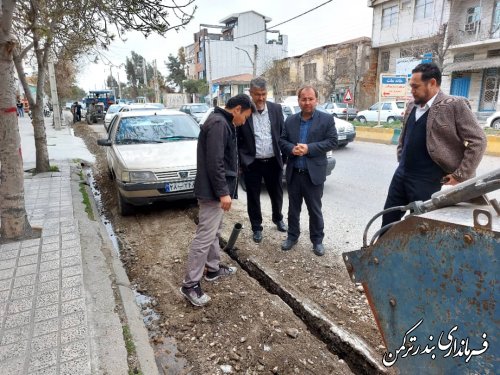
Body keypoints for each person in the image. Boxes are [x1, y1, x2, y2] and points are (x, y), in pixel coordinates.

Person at [381, 62, 487, 228]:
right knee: (388, 219)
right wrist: (401, 157)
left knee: (420, 227)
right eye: (411, 86)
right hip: (402, 175)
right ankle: (379, 253)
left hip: (429, 180)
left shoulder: (454, 105)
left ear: (432, 83)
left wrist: (460, 175)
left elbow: (478, 140)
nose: (412, 90)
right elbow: (405, 135)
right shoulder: (411, 106)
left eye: (416, 86)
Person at [181, 94, 256, 307]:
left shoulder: (221, 121)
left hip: (214, 191)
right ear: (238, 109)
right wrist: (223, 192)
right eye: (246, 117)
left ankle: (212, 269)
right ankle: (190, 284)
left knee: (214, 231)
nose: (245, 122)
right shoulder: (218, 124)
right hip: (212, 192)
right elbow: (215, 162)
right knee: (204, 237)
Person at [279, 86, 337, 256]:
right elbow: (282, 141)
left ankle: (317, 240)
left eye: (310, 99)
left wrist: (309, 148)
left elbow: (332, 141)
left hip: (314, 174)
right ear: (298, 101)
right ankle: (292, 236)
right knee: (293, 208)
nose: (307, 102)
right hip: (294, 173)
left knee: (315, 209)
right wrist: (291, 149)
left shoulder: (326, 120)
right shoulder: (290, 120)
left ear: (316, 100)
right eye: (303, 99)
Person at [238, 77, 287, 243]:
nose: (261, 98)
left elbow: (282, 134)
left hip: (273, 161)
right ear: (250, 93)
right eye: (257, 94)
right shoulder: (244, 112)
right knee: (253, 196)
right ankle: (257, 227)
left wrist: (284, 158)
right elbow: (238, 139)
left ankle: (278, 218)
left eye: (264, 94)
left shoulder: (276, 109)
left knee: (277, 193)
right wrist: (242, 161)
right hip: (253, 163)